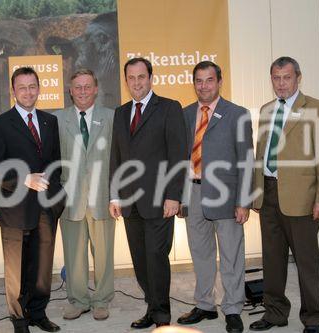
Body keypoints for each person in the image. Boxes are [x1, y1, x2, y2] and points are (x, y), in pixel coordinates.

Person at [0, 67, 65, 333]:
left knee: (42, 268)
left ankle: (38, 313)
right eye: (22, 87)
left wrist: (57, 199)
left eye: (33, 86)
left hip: (46, 207)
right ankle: (19, 321)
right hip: (14, 209)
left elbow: (55, 163)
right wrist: (24, 179)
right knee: (16, 271)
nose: (28, 92)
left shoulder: (49, 121)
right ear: (13, 91)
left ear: (39, 88)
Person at [109, 57, 188, 328]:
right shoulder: (120, 113)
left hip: (160, 200)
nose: (136, 82)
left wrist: (174, 195)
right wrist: (114, 196)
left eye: (141, 77)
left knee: (156, 258)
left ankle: (163, 317)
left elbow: (179, 155)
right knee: (141, 262)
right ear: (126, 80)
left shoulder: (168, 108)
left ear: (151, 78)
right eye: (131, 78)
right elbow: (116, 157)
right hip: (130, 203)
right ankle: (152, 309)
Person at [250, 56, 319, 333]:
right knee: (272, 259)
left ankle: (313, 319)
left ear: (298, 78)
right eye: (276, 78)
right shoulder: (267, 109)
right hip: (269, 194)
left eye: (287, 78)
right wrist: (256, 194)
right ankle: (275, 313)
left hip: (303, 198)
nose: (281, 84)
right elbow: (261, 154)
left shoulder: (317, 109)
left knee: (306, 263)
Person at [176, 61, 253, 333]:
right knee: (201, 254)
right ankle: (205, 305)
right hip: (193, 193)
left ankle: (232, 308)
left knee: (231, 255)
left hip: (228, 197)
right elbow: (179, 158)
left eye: (209, 80)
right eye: (198, 80)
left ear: (219, 81)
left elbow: (246, 160)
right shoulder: (185, 114)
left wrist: (244, 201)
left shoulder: (237, 113)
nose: (203, 86)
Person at [55, 69, 115, 321]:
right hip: (71, 200)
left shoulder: (112, 117)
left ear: (96, 89)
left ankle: (101, 300)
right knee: (74, 254)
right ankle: (78, 300)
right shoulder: (58, 120)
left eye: (87, 86)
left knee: (103, 255)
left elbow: (118, 159)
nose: (82, 91)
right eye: (77, 87)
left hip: (102, 197)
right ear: (70, 90)